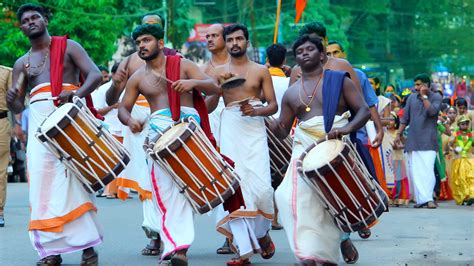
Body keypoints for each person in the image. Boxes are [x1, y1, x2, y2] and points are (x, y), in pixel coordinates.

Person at [6, 3, 103, 265]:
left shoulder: (69, 47)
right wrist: (12, 99)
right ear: (21, 27)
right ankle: (51, 252)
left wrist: (76, 94)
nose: (30, 22)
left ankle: (88, 249)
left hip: (70, 123)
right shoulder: (21, 63)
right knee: (42, 188)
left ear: (45, 20)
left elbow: (95, 75)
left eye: (35, 17)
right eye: (25, 20)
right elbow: (18, 107)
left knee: (76, 184)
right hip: (39, 132)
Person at [118, 23, 219, 265]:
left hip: (188, 132)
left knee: (184, 192)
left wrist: (193, 84)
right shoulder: (138, 77)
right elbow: (123, 107)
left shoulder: (183, 65)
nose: (142, 45)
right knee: (164, 192)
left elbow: (215, 87)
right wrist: (130, 120)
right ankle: (177, 248)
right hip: (157, 133)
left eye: (146, 40)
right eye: (139, 42)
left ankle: (177, 245)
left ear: (160, 43)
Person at [270, 35, 370, 265]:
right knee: (284, 196)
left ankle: (335, 242)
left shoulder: (339, 80)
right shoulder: (291, 92)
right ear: (296, 60)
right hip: (303, 148)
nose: (304, 53)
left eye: (310, 49)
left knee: (330, 199)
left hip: (335, 146)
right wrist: (272, 123)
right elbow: (283, 131)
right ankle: (307, 253)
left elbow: (363, 111)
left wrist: (345, 129)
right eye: (300, 51)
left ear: (322, 55)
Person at [105, 13, 176, 257]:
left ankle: (173, 234)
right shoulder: (129, 62)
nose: (147, 34)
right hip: (137, 127)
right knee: (147, 182)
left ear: (161, 36)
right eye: (144, 30)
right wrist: (115, 84)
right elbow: (112, 101)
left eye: (153, 28)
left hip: (169, 125)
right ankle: (155, 235)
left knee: (169, 182)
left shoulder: (175, 59)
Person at [210, 24, 277, 265]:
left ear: (247, 42)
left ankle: (261, 234)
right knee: (234, 187)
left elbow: (273, 105)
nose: (235, 43)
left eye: (239, 39)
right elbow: (208, 106)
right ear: (226, 43)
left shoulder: (260, 71)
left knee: (261, 190)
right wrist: (215, 88)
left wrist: (257, 110)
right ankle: (243, 250)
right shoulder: (218, 71)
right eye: (230, 40)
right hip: (230, 128)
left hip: (254, 130)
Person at [326, 40, 384, 259]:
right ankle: (344, 234)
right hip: (325, 140)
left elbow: (369, 105)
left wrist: (379, 129)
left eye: (336, 52)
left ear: (344, 53)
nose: (333, 56)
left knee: (359, 181)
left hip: (353, 139)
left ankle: (362, 218)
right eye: (329, 52)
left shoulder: (357, 75)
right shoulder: (317, 75)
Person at [200, 23, 235, 256]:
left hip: (238, 121)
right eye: (208, 36)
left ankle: (251, 230)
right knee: (222, 178)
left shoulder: (239, 63)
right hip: (214, 125)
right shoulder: (204, 70)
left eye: (214, 35)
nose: (210, 39)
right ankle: (229, 233)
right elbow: (205, 105)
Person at [395, 73, 442, 209]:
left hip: (428, 140)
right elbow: (405, 118)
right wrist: (398, 134)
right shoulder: (411, 98)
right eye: (415, 84)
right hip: (413, 139)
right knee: (416, 171)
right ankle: (422, 200)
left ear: (426, 85)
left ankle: (428, 198)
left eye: (418, 85)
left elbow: (432, 112)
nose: (415, 88)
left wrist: (425, 97)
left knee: (427, 170)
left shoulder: (436, 97)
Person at [288, 22, 361, 89]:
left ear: (326, 40)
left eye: (319, 41)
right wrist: (298, 85)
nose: (316, 46)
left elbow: (358, 100)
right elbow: (290, 101)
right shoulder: (297, 70)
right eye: (310, 44)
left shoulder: (342, 66)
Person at [91, 63, 121, 199]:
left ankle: (118, 190)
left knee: (121, 160)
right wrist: (113, 106)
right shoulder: (103, 90)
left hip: (124, 129)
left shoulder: (127, 88)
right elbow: (96, 111)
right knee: (112, 160)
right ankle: (107, 190)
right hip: (109, 129)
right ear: (113, 74)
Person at [448, 115, 474, 205]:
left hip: (469, 159)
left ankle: (471, 196)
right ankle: (462, 197)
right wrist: (453, 149)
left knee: (471, 177)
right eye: (463, 124)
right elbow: (449, 145)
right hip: (458, 159)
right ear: (459, 125)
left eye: (466, 124)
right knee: (460, 179)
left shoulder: (471, 134)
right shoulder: (455, 134)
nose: (465, 126)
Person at [0, 65, 12, 228]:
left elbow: (17, 103)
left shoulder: (6, 72)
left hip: (1, 123)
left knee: (1, 171)